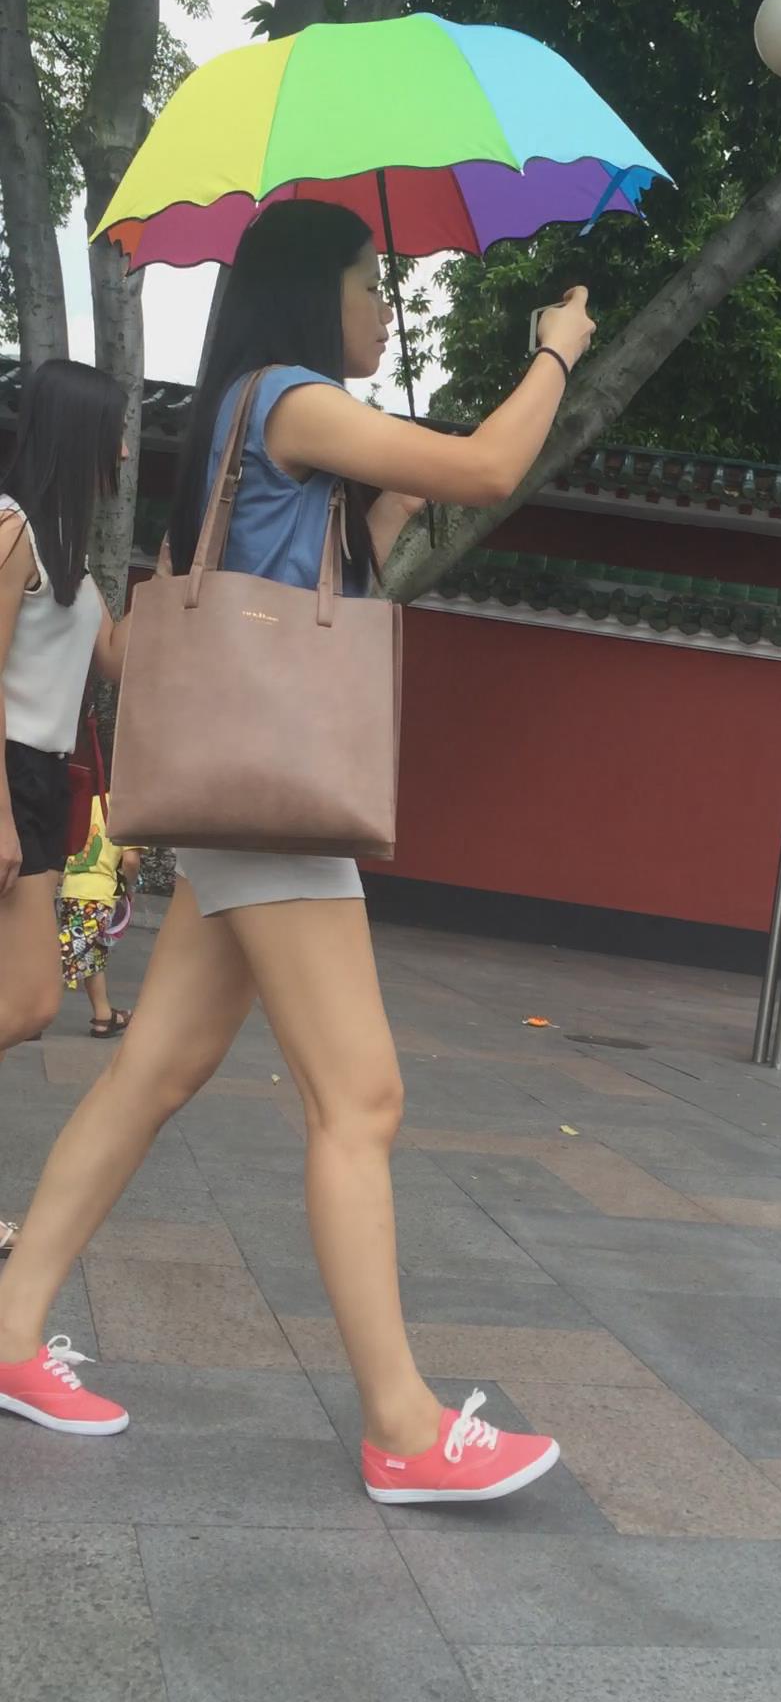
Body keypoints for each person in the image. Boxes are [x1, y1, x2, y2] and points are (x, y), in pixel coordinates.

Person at [0, 201, 595, 1503]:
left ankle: (9, 1325)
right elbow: (493, 466)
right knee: (361, 1097)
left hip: (243, 788)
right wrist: (557, 349)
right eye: (370, 282)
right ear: (311, 294)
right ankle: (402, 1426)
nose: (383, 306)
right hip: (273, 800)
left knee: (156, 1070)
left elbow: (326, 576)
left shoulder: (261, 415)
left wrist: (387, 500)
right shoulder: (288, 398)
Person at [0, 361, 130, 1258]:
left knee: (31, 1001)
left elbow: (121, 660)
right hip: (6, 779)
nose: (122, 450)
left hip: (41, 784)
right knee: (30, 998)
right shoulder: (12, 530)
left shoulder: (72, 564)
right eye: (114, 432)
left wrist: (195, 566)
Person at [57, 792, 142, 1037]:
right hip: (99, 893)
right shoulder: (127, 805)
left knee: (91, 955)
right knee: (66, 956)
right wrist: (129, 886)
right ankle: (30, 1014)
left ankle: (103, 1016)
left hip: (71, 887)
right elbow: (131, 860)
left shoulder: (82, 799)